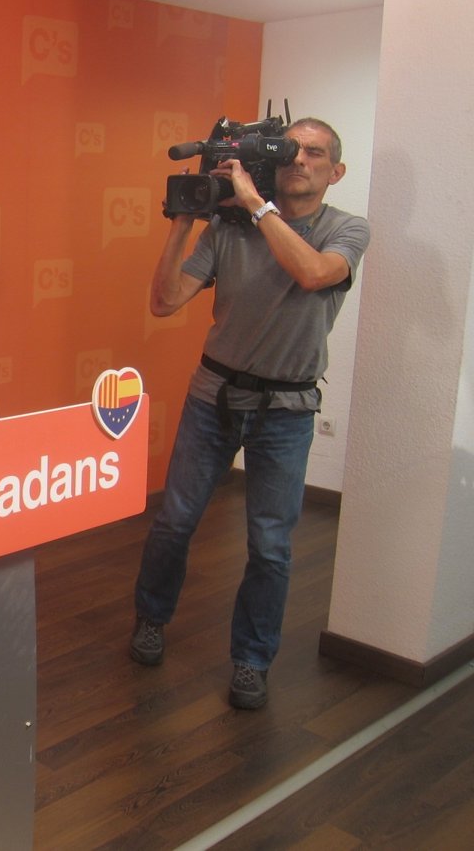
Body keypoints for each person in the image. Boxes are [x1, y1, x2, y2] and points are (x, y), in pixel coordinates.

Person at [130, 118, 370, 710]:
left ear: (335, 171)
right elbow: (163, 302)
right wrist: (184, 221)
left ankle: (252, 660)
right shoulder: (229, 228)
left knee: (269, 545)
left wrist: (258, 206)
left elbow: (312, 274)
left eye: (315, 153)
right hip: (213, 397)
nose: (300, 160)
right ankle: (150, 619)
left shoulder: (346, 229)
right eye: (291, 150)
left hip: (286, 411)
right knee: (175, 522)